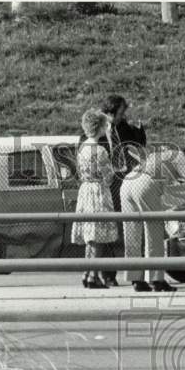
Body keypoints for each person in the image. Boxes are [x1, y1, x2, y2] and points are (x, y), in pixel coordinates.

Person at [78, 94, 148, 287]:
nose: (123, 116)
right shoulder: (93, 133)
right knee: (101, 233)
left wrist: (140, 130)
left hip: (121, 184)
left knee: (116, 230)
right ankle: (105, 274)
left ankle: (107, 274)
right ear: (113, 111)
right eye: (121, 112)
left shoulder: (123, 127)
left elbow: (138, 143)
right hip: (103, 185)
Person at [121, 146, 185, 292]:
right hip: (145, 184)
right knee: (154, 231)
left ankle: (135, 279)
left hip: (127, 182)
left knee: (131, 233)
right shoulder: (181, 158)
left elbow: (162, 195)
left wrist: (181, 203)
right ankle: (156, 279)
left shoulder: (158, 157)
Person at [71, 109, 119, 289]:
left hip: (85, 191)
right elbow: (108, 176)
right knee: (98, 236)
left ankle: (88, 272)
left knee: (90, 236)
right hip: (98, 191)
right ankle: (93, 276)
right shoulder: (99, 151)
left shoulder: (83, 148)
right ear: (99, 127)